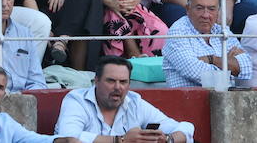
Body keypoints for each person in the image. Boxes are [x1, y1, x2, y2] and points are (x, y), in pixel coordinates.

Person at [55, 56, 194, 143]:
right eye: (111, 81)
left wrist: (167, 139)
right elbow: (68, 138)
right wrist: (120, 140)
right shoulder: (77, 100)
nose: (117, 87)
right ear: (96, 81)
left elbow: (185, 127)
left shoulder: (134, 101)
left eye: (123, 82)